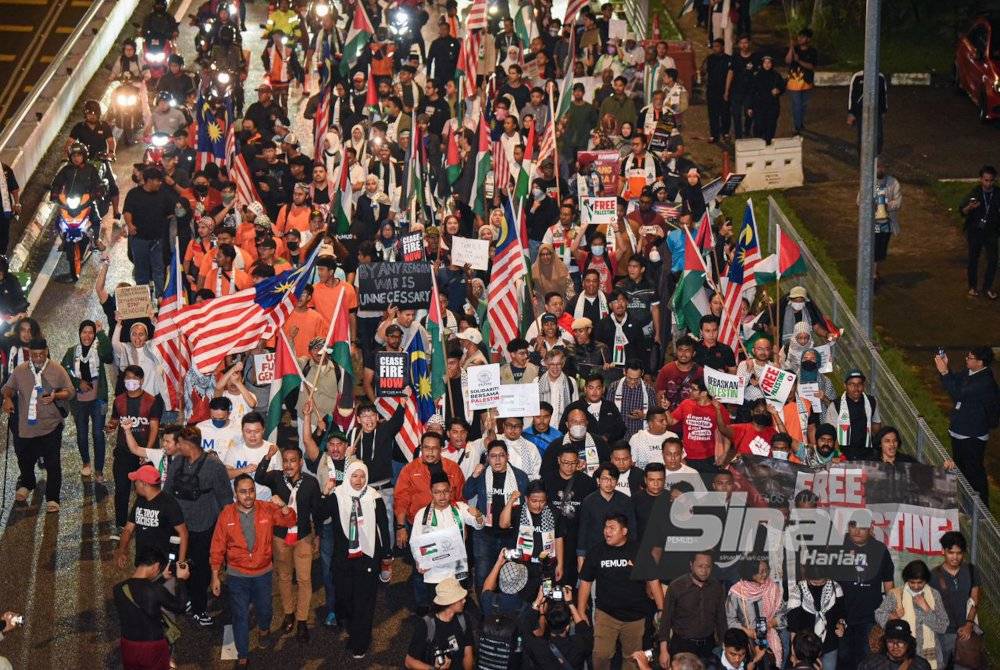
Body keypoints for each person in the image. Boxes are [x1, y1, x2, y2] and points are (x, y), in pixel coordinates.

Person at [209, 473, 297, 666]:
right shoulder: (226, 514)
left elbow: (290, 521)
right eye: (243, 492)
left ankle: (264, 630)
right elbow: (217, 546)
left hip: (263, 573)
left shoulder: (266, 509)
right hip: (236, 575)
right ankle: (243, 655)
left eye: (251, 491)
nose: (248, 496)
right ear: (235, 494)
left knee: (265, 610)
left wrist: (283, 506)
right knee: (239, 615)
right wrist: (215, 575)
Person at [320, 460, 391, 659]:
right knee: (345, 600)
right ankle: (353, 627)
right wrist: (325, 493)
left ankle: (361, 642)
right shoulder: (337, 496)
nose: (358, 480)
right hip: (343, 560)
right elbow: (320, 514)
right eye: (354, 475)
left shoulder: (374, 497)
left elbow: (383, 528)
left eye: (362, 476)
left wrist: (386, 555)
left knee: (365, 602)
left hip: (368, 559)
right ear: (348, 476)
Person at [163, 426, 233, 628]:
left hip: (204, 528)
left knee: (201, 570)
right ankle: (188, 600)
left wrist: (225, 532)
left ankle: (199, 608)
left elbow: (226, 501)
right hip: (179, 527)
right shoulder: (177, 462)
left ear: (186, 445)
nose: (176, 447)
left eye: (179, 444)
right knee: (179, 564)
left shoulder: (215, 467)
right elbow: (168, 493)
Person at [253, 443, 323, 642]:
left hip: (302, 537)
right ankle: (289, 613)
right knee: (283, 577)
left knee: (304, 580)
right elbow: (258, 477)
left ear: (301, 463)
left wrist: (318, 535)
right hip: (280, 537)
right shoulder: (276, 478)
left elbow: (316, 512)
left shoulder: (311, 483)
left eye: (293, 461)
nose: (289, 465)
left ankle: (302, 620)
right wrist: (267, 457)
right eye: (285, 461)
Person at [577, 513, 658, 670]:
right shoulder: (596, 551)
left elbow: (653, 581)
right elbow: (586, 582)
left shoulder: (639, 551)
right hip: (606, 615)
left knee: (632, 659)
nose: (607, 531)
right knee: (600, 655)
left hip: (635, 617)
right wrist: (581, 611)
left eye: (612, 528)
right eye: (606, 527)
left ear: (624, 531)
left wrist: (662, 610)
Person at [1, 337, 74, 512]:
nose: (38, 358)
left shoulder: (57, 370)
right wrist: (8, 398)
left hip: (50, 425)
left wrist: (56, 396)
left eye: (41, 354)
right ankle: (27, 483)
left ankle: (53, 497)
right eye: (34, 355)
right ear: (30, 354)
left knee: (52, 463)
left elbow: (70, 392)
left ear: (47, 351)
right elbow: (8, 388)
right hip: (26, 426)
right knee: (24, 459)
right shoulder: (20, 370)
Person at [935, 345, 998, 505]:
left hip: (972, 436)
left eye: (970, 358)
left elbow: (958, 393)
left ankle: (980, 512)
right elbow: (954, 384)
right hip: (960, 432)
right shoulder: (970, 372)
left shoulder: (985, 382)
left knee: (974, 474)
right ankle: (965, 506)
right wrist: (946, 369)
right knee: (962, 472)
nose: (966, 359)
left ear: (981, 362)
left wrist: (944, 372)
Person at [463, 440, 528, 592]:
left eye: (501, 456)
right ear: (488, 458)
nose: (497, 460)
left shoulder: (520, 476)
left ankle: (505, 610)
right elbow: (466, 493)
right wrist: (474, 475)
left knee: (510, 575)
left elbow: (525, 506)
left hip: (511, 535)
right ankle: (485, 610)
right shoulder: (482, 474)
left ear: (508, 457)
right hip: (485, 534)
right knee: (483, 575)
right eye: (493, 456)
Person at [107, 365, 164, 537]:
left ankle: (146, 524)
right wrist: (110, 427)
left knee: (146, 490)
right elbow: (114, 420)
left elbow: (154, 427)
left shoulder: (151, 401)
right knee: (122, 489)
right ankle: (121, 525)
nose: (130, 382)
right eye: (127, 379)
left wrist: (146, 452)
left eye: (134, 379)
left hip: (144, 455)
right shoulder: (119, 401)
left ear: (141, 380)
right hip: (123, 452)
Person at [113, 547, 190, 670]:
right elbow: (180, 607)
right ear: (156, 566)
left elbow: (140, 592)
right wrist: (181, 580)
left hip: (128, 645)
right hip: (152, 646)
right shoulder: (155, 590)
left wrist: (161, 578)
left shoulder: (118, 589)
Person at [837, 510, 895, 670]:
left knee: (866, 660)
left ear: (870, 528)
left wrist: (890, 611)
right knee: (842, 658)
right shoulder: (837, 547)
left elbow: (889, 584)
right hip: (841, 615)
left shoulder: (880, 550)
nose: (856, 531)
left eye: (861, 527)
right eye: (853, 526)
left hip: (869, 616)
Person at [62, 320, 113, 482]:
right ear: (79, 333)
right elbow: (64, 371)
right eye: (84, 332)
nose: (87, 335)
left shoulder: (98, 349)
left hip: (98, 400)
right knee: (82, 434)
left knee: (98, 434)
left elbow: (108, 356)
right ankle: (86, 463)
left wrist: (102, 334)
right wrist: (78, 383)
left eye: (91, 332)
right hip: (78, 401)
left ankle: (98, 470)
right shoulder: (72, 352)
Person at [657, 551, 728, 665]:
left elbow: (721, 620)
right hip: (682, 645)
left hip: (708, 646)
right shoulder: (676, 586)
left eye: (708, 567)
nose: (704, 571)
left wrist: (724, 647)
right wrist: (663, 650)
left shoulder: (716, 587)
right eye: (700, 566)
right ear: (691, 565)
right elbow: (665, 620)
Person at [875, 560, 949, 668]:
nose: (915, 586)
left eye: (920, 582)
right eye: (912, 582)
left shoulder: (934, 595)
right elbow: (879, 614)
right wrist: (892, 617)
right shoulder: (896, 594)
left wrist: (926, 608)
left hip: (929, 656)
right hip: (902, 655)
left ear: (926, 580)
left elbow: (942, 627)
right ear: (906, 580)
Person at [113, 464, 188, 572]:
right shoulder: (140, 500)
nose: (134, 483)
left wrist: (180, 564)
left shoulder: (169, 503)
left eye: (136, 481)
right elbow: (128, 529)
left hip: (163, 566)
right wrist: (122, 551)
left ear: (144, 484)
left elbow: (183, 533)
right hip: (142, 561)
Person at [931, 531, 981, 670]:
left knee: (966, 666)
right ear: (943, 551)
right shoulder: (933, 575)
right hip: (943, 632)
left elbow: (975, 599)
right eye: (951, 552)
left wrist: (969, 624)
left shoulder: (971, 570)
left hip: (966, 632)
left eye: (959, 553)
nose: (955, 557)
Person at [123, 166, 176, 296]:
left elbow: (171, 213)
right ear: (149, 181)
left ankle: (160, 299)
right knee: (141, 271)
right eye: (157, 180)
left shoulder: (163, 195)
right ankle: (143, 302)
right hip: (139, 240)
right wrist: (129, 224)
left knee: (159, 270)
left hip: (157, 241)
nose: (160, 183)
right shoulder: (134, 194)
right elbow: (127, 211)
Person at [404, 577, 475, 670]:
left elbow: (468, 653)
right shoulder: (426, 625)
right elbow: (409, 662)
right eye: (460, 599)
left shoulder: (464, 619)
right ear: (450, 603)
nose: (464, 601)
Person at [725, 559, 786, 664]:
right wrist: (748, 632)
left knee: (780, 646)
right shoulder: (737, 592)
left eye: (766, 570)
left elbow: (783, 615)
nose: (765, 574)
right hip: (745, 637)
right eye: (760, 571)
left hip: (770, 633)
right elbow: (730, 621)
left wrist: (770, 624)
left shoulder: (772, 588)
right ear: (750, 572)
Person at [786, 570, 846, 670]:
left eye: (822, 581)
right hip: (806, 649)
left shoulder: (836, 588)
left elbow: (842, 613)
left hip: (830, 644)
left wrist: (841, 624)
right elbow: (793, 628)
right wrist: (794, 653)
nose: (818, 584)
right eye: (814, 581)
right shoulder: (797, 591)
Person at [823, 369, 882, 461]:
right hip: (844, 455)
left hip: (867, 454)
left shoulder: (872, 402)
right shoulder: (835, 405)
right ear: (845, 385)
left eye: (859, 384)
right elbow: (831, 433)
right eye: (851, 384)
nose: (856, 387)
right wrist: (836, 454)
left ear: (863, 386)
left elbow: (876, 426)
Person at [959, 165, 1000, 298]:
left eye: (991, 180)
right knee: (973, 259)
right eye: (986, 180)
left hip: (992, 231)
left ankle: (987, 287)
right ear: (980, 179)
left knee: (993, 260)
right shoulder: (974, 193)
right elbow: (962, 211)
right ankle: (972, 287)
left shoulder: (998, 193)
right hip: (975, 231)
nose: (988, 183)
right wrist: (970, 207)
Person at [859, 619, 933, 670]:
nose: (895, 646)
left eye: (900, 642)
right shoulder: (870, 665)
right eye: (891, 641)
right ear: (885, 642)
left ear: (908, 643)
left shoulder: (921, 666)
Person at [846, 70, 888, 155]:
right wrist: (851, 112)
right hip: (860, 111)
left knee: (878, 135)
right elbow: (852, 95)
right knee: (863, 135)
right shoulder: (857, 77)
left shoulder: (880, 77)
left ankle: (876, 156)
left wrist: (884, 110)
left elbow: (884, 95)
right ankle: (862, 157)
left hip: (876, 111)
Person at [784, 29, 817, 134]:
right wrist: (791, 48)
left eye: (802, 37)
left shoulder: (812, 51)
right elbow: (787, 61)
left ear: (808, 39)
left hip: (806, 83)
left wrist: (799, 61)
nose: (800, 39)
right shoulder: (795, 49)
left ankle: (799, 123)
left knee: (802, 105)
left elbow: (811, 66)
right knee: (797, 104)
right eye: (799, 36)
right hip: (794, 83)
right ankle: (797, 126)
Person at [747, 55, 784, 145]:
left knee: (771, 126)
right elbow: (752, 92)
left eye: (769, 62)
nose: (767, 65)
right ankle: (758, 145)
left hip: (772, 105)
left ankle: (768, 145)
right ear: (762, 64)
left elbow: (782, 87)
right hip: (759, 105)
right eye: (765, 62)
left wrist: (778, 90)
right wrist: (750, 107)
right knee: (759, 126)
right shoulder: (757, 75)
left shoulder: (776, 75)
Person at [703, 39, 731, 143]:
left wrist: (727, 91)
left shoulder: (728, 59)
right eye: (714, 46)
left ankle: (725, 133)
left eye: (717, 46)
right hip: (712, 90)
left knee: (725, 113)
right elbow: (703, 71)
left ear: (722, 47)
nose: (715, 48)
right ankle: (714, 135)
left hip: (723, 90)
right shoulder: (710, 58)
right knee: (712, 113)